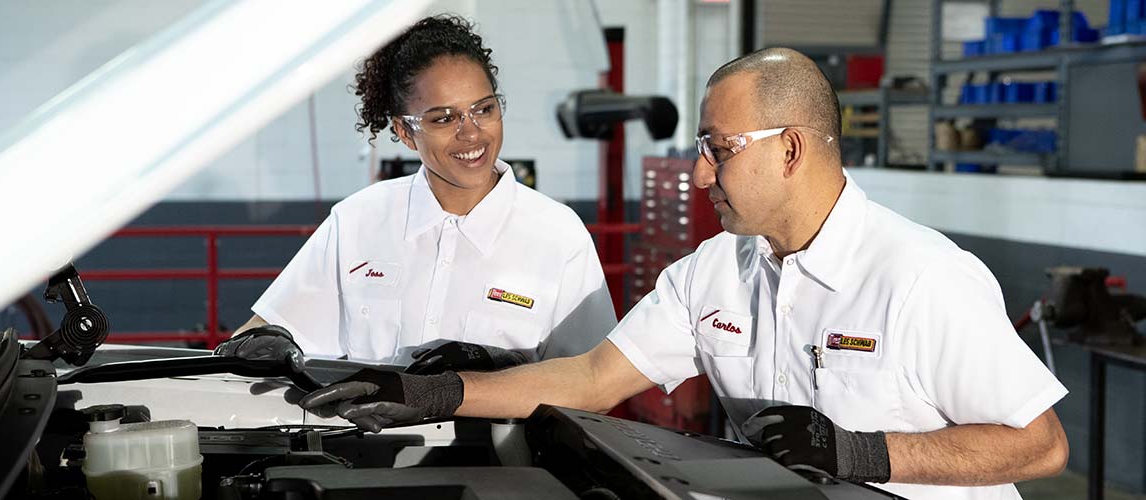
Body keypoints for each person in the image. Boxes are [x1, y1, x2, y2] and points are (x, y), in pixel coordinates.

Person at [295, 48, 1070, 499]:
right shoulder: (715, 272)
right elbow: (594, 378)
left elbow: (1040, 446)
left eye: (718, 148)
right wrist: (435, 393)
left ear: (790, 149)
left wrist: (868, 453)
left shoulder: (922, 277)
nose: (700, 174)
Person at [220, 15, 616, 371]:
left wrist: (503, 373)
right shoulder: (358, 220)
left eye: (484, 109)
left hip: (506, 452)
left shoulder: (559, 235)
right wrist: (246, 350)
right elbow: (269, 332)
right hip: (366, 447)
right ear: (406, 132)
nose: (471, 132)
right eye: (444, 118)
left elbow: (593, 380)